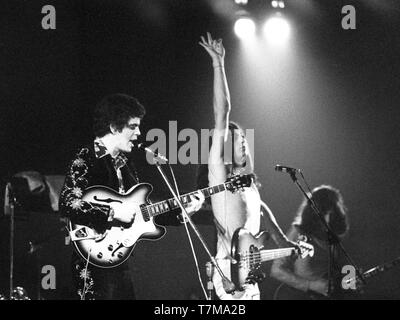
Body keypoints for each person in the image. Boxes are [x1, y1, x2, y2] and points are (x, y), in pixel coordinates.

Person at [59, 93, 203, 300]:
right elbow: (67, 203)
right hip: (91, 260)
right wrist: (113, 212)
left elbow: (142, 213)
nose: (138, 133)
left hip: (119, 259)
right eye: (133, 126)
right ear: (113, 127)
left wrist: (180, 212)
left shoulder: (125, 164)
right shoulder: (87, 157)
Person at [198, 33, 295, 300]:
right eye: (236, 141)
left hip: (249, 278)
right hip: (229, 275)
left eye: (244, 140)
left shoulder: (250, 186)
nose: (243, 145)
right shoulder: (218, 174)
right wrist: (219, 65)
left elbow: (259, 212)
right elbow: (222, 112)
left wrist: (285, 243)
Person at [270, 185, 349, 300]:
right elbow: (276, 270)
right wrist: (310, 285)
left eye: (334, 211)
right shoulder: (299, 233)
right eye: (327, 210)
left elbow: (340, 273)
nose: (330, 215)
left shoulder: (334, 239)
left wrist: (351, 282)